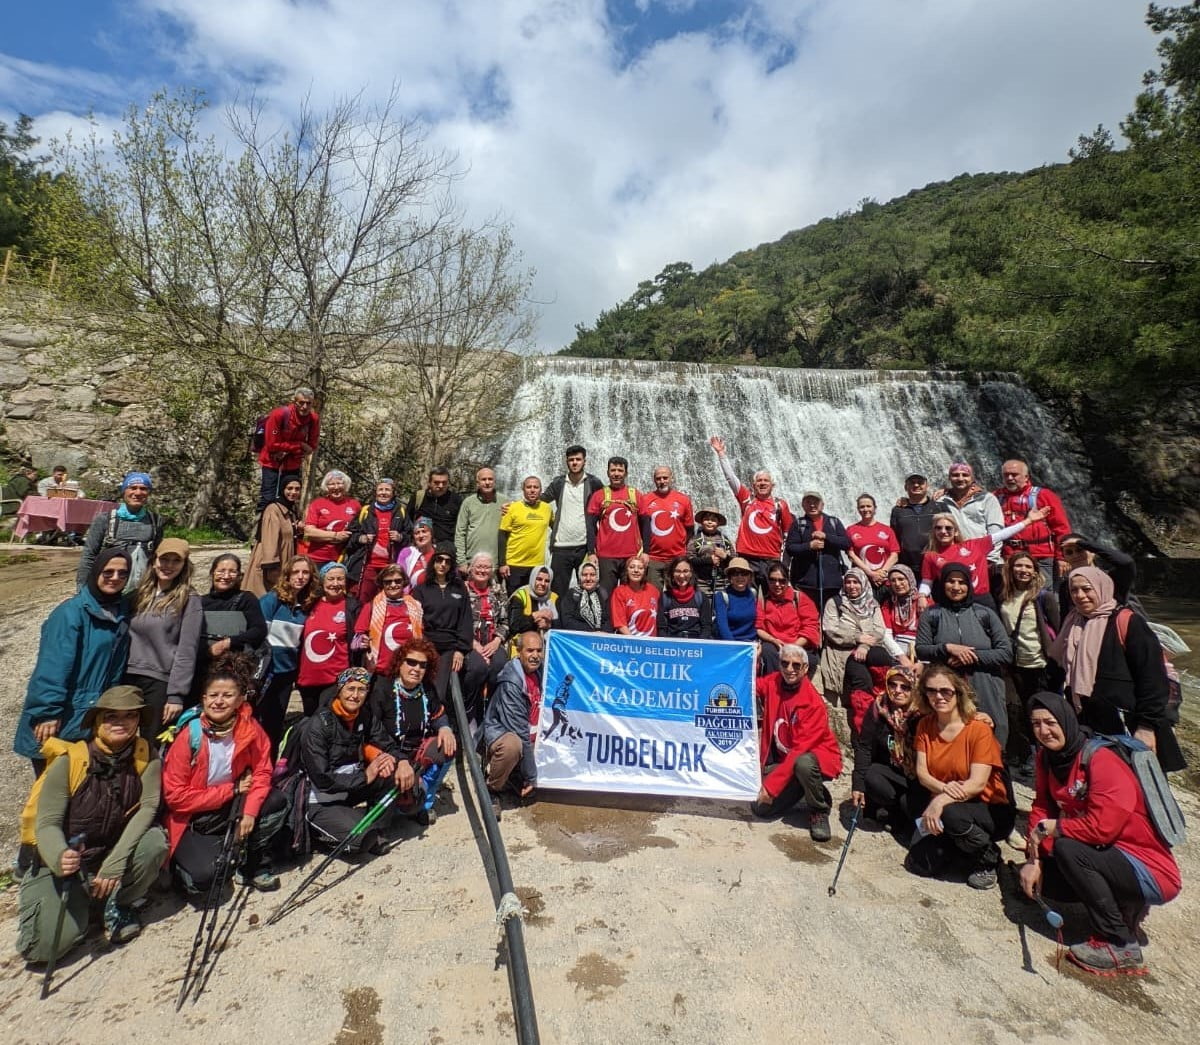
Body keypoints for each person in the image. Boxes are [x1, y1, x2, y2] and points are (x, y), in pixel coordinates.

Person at [1020, 692, 1180, 976]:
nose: (1043, 731)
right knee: (1048, 883)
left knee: (1067, 849)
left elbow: (1102, 827)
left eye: (1050, 722)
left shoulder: (1100, 759)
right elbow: (1042, 807)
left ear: (1067, 721)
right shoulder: (1048, 759)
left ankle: (1119, 943)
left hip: (1148, 867)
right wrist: (1035, 860)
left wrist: (1055, 829)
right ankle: (1123, 908)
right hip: (1107, 856)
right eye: (1036, 724)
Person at [16, 685, 167, 960]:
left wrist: (116, 862)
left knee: (155, 843)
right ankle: (88, 903)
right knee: (42, 949)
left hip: (109, 852)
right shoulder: (70, 760)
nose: (120, 723)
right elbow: (47, 822)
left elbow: (148, 808)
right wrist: (59, 856)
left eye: (129, 716)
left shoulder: (146, 756)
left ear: (138, 721)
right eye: (111, 716)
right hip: (69, 862)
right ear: (97, 720)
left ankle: (117, 901)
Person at [163, 659, 288, 893]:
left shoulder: (251, 730)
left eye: (227, 695)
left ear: (240, 700)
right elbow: (175, 797)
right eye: (213, 695)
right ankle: (203, 861)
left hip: (232, 804)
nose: (219, 701)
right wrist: (231, 790)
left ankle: (251, 863)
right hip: (194, 818)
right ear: (204, 699)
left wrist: (249, 813)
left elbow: (262, 772)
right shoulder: (189, 737)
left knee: (276, 801)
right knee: (205, 878)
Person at [1049, 566, 1185, 773]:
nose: (1080, 596)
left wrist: (1147, 726)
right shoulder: (1073, 622)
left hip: (1128, 725)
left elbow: (1153, 678)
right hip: (1090, 722)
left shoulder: (1127, 621)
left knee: (1142, 785)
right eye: (1074, 590)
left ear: (1102, 588)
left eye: (1087, 589)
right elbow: (1059, 668)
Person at [15, 548, 133, 775]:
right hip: (62, 716)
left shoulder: (118, 612)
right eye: (108, 572)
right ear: (95, 571)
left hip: (90, 716)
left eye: (122, 573)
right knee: (52, 794)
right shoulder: (71, 613)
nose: (115, 578)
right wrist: (47, 712)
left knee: (80, 791)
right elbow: (52, 666)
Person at [905, 665, 1015, 890]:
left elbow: (977, 784)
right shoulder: (925, 725)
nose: (939, 696)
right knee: (918, 863)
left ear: (958, 692)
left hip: (986, 806)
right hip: (951, 798)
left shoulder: (978, 728)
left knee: (951, 814)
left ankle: (988, 857)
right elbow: (922, 773)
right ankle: (960, 848)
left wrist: (939, 800)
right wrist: (945, 791)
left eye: (946, 691)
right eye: (932, 691)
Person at [300, 668, 416, 853]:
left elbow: (387, 743)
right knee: (361, 841)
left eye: (361, 690)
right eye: (350, 689)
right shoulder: (318, 725)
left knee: (393, 773)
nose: (355, 695)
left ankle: (377, 829)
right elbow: (322, 779)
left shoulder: (364, 716)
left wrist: (402, 761)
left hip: (349, 791)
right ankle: (320, 831)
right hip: (321, 800)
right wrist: (366, 776)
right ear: (340, 690)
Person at [915, 563, 1013, 748]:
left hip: (985, 683)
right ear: (943, 584)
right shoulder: (932, 614)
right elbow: (922, 648)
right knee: (952, 737)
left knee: (992, 735)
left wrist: (970, 655)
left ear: (969, 585)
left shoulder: (984, 613)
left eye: (962, 582)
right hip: (947, 687)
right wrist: (947, 648)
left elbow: (1006, 653)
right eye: (951, 581)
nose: (956, 587)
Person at [749, 646, 842, 842]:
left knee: (803, 764)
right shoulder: (774, 681)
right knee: (760, 809)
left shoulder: (813, 703)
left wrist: (771, 788)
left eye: (796, 665)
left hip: (814, 758)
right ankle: (806, 788)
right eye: (785, 663)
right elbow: (750, 684)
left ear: (805, 668)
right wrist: (754, 660)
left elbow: (800, 749)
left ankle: (819, 808)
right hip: (788, 757)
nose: (790, 669)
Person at [369, 637, 457, 825]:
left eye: (422, 665)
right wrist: (399, 760)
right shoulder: (382, 689)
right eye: (411, 662)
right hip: (388, 752)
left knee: (448, 747)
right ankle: (381, 819)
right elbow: (374, 733)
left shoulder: (426, 688)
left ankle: (424, 799)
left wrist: (445, 728)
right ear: (400, 663)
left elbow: (438, 714)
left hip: (417, 753)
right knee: (393, 790)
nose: (416, 669)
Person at [123, 537, 203, 737]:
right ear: (154, 561)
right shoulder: (138, 594)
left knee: (151, 744)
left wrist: (176, 695)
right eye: (164, 559)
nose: (168, 566)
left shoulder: (189, 600)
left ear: (184, 566)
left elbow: (187, 649)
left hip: (160, 682)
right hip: (126, 676)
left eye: (176, 561)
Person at [998, 551, 1062, 771]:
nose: (1023, 570)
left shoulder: (1044, 597)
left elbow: (1058, 629)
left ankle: (1045, 756)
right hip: (1014, 664)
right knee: (1019, 711)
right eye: (1018, 566)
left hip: (1040, 664)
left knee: (1042, 711)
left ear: (1035, 571)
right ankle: (1028, 755)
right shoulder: (1005, 595)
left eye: (1028, 567)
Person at [917, 507, 1048, 611]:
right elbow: (927, 581)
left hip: (982, 599)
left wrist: (1028, 521)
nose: (943, 531)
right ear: (934, 532)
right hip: (954, 601)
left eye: (948, 528)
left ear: (956, 531)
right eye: (938, 528)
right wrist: (922, 596)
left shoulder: (974, 545)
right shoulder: (931, 556)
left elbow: (1002, 534)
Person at [816, 567, 896, 732]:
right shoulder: (835, 603)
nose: (852, 586)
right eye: (848, 582)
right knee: (842, 706)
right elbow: (831, 629)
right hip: (838, 657)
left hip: (866, 657)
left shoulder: (872, 604)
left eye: (856, 582)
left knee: (863, 699)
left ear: (864, 584)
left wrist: (864, 646)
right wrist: (857, 637)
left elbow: (878, 630)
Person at [708, 435, 793, 586]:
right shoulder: (747, 500)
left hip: (771, 558)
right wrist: (721, 454)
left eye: (766, 481)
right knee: (747, 594)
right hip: (747, 557)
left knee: (771, 598)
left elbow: (788, 534)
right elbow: (731, 478)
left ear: (772, 485)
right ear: (753, 485)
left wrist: (785, 562)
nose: (762, 483)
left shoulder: (781, 505)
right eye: (759, 481)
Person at [258, 555, 321, 753]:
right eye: (296, 572)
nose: (300, 577)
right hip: (267, 671)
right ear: (287, 575)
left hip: (288, 671)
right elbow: (259, 636)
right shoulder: (272, 600)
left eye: (305, 573)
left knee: (275, 722)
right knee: (258, 719)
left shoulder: (307, 604)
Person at [851, 667, 923, 838]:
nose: (897, 691)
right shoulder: (879, 707)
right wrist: (858, 784)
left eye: (905, 687)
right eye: (893, 684)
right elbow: (865, 746)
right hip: (890, 769)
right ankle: (891, 808)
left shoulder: (922, 714)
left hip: (918, 778)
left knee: (911, 814)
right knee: (872, 776)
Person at [482, 630, 545, 816]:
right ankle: (492, 788)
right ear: (519, 652)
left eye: (539, 651)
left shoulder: (541, 672)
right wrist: (531, 777)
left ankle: (514, 776)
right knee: (512, 746)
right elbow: (520, 734)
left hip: (532, 733)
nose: (535, 656)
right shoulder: (511, 683)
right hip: (503, 735)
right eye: (530, 650)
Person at [412, 544, 474, 723]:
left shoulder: (459, 588)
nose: (443, 564)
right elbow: (416, 621)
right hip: (427, 644)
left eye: (447, 561)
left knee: (440, 691)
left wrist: (461, 650)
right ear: (434, 562)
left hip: (450, 646)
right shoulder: (421, 590)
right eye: (439, 559)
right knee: (421, 685)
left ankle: (439, 726)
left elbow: (465, 620)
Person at [76, 471, 164, 592]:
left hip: (141, 590)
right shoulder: (104, 520)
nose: (138, 493)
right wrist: (82, 590)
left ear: (148, 493)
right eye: (132, 488)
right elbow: (89, 556)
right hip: (109, 587)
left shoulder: (155, 522)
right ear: (124, 491)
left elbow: (157, 557)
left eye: (143, 489)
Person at [197, 553, 269, 700]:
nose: (226, 575)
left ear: (238, 576)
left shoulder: (246, 599)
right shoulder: (199, 602)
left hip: (234, 670)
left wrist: (228, 643)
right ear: (212, 573)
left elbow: (259, 630)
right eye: (221, 571)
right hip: (201, 668)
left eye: (232, 571)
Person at [994, 458, 1072, 586]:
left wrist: (1062, 557)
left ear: (1026, 477)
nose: (1009, 478)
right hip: (1010, 557)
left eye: (1014, 474)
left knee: (1045, 595)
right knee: (1012, 596)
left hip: (1041, 557)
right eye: (1006, 475)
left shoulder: (1044, 495)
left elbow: (1061, 528)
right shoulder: (996, 497)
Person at [540, 445, 604, 598]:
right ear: (566, 462)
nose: (575, 463)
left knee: (588, 590)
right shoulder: (558, 483)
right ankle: (558, 621)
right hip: (561, 546)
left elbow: (607, 504)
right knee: (557, 592)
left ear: (584, 461)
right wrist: (514, 505)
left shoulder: (594, 483)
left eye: (578, 459)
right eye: (571, 460)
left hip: (584, 547)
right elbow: (540, 500)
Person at [297, 562, 359, 716]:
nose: (335, 584)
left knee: (329, 721)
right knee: (310, 721)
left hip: (335, 679)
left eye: (340, 579)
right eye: (331, 579)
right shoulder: (309, 603)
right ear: (323, 581)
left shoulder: (352, 606)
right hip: (308, 678)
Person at [354, 562, 424, 679]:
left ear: (404, 582)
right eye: (388, 582)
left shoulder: (416, 606)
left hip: (409, 672)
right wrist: (362, 641)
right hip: (380, 672)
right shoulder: (370, 606)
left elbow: (421, 634)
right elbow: (356, 640)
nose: (393, 585)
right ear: (382, 584)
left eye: (398, 581)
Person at [256, 387, 318, 511]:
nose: (305, 407)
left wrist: (287, 448)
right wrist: (299, 445)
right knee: (268, 500)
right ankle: (263, 529)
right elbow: (272, 445)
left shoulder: (313, 419)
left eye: (308, 403)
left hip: (292, 464)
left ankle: (285, 530)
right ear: (294, 401)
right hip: (271, 461)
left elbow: (311, 447)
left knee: (289, 499)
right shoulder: (279, 415)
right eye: (301, 403)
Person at [345, 478, 407, 603]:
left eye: (387, 490)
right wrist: (361, 538)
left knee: (387, 604)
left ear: (393, 493)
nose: (383, 493)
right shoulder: (366, 511)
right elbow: (349, 535)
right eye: (380, 489)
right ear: (375, 492)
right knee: (362, 602)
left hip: (390, 568)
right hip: (367, 566)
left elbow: (410, 536)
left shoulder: (401, 512)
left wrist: (400, 537)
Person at [586, 457, 642, 593]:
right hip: (606, 556)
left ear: (626, 473)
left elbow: (645, 525)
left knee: (629, 595)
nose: (616, 473)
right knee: (605, 595)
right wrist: (591, 552)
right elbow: (590, 527)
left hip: (631, 555)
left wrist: (645, 552)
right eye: (613, 470)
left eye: (620, 470)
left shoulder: (635, 495)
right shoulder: (598, 496)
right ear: (607, 472)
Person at [786, 491, 850, 610]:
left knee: (831, 620)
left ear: (822, 504)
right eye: (808, 502)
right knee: (808, 619)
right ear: (803, 505)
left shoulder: (834, 522)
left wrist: (826, 536)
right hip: (805, 583)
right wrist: (809, 546)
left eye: (815, 502)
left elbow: (846, 543)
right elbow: (790, 548)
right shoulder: (798, 524)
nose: (812, 505)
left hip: (832, 583)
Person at [932, 463, 1004, 567]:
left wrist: (990, 559)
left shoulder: (987, 499)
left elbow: (996, 530)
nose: (960, 479)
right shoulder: (940, 501)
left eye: (965, 475)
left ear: (972, 478)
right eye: (955, 475)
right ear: (949, 478)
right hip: (953, 559)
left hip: (982, 558)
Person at [755, 562, 820, 676]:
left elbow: (810, 628)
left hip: (798, 644)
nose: (777, 584)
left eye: (782, 581)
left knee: (805, 660)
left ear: (787, 580)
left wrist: (792, 647)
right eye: (772, 580)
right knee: (767, 651)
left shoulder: (800, 598)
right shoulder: (764, 601)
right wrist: (773, 640)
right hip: (775, 645)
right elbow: (758, 627)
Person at [245, 476, 304, 598]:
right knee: (264, 595)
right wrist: (271, 566)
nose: (293, 492)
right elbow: (270, 538)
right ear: (282, 489)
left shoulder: (291, 509)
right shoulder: (273, 509)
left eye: (297, 489)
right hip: (272, 560)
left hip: (284, 557)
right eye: (290, 488)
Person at [639, 466, 695, 591]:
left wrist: (680, 546)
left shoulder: (683, 500)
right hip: (653, 559)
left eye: (665, 478)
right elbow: (641, 527)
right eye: (658, 478)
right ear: (654, 480)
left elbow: (690, 528)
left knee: (677, 595)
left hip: (677, 557)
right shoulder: (645, 499)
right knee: (654, 596)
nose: (662, 481)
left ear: (671, 478)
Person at [463, 552, 510, 703]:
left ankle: (492, 708)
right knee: (477, 667)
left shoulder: (498, 591)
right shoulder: (462, 590)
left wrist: (497, 641)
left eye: (486, 567)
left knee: (500, 665)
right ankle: (469, 709)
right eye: (479, 566)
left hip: (493, 641)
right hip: (470, 642)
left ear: (492, 571)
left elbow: (505, 621)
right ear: (471, 569)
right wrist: (473, 644)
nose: (482, 571)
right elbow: (457, 622)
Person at [499, 475, 555, 594]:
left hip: (537, 565)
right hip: (514, 564)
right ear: (523, 489)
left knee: (534, 599)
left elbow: (557, 527)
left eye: (536, 487)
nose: (532, 490)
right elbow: (502, 536)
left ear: (541, 490)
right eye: (529, 487)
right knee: (514, 600)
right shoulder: (512, 508)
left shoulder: (547, 509)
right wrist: (502, 563)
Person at [1058, 533, 1137, 614]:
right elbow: (1065, 615)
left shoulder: (1111, 577)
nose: (1075, 555)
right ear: (1065, 558)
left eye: (1080, 550)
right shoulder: (1066, 585)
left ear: (1093, 552)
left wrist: (1083, 543)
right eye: (1069, 552)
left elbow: (1127, 563)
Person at [298, 469, 360, 567]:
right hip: (318, 558)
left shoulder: (355, 505)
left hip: (344, 558)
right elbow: (308, 532)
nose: (336, 487)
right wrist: (335, 535)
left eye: (339, 483)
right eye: (331, 484)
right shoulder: (317, 504)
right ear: (326, 487)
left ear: (346, 485)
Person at [845, 494, 900, 592]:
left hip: (885, 580)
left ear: (875, 508)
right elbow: (851, 555)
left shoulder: (887, 530)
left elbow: (894, 555)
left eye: (868, 506)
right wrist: (871, 574)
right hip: (861, 581)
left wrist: (882, 573)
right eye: (862, 507)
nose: (865, 509)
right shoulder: (851, 530)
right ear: (858, 509)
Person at [455, 466, 502, 569]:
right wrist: (461, 561)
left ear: (495, 481)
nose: (487, 482)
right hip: (472, 561)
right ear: (477, 483)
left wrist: (505, 562)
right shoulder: (468, 502)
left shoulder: (505, 502)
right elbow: (460, 533)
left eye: (490, 479)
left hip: (497, 563)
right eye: (483, 479)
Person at [889, 472, 935, 574]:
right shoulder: (898, 510)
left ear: (927, 486)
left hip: (935, 563)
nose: (916, 485)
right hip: (908, 566)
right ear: (906, 487)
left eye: (920, 482)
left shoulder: (939, 507)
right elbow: (894, 538)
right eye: (912, 482)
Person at [406, 467, 462, 547]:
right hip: (421, 547)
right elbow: (408, 521)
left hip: (446, 550)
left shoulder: (456, 500)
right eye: (436, 482)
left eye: (444, 482)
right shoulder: (419, 497)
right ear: (429, 482)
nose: (441, 486)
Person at [657, 557, 711, 639]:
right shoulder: (665, 597)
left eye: (685, 571)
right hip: (673, 644)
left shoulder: (701, 597)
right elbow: (662, 628)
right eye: (678, 571)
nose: (681, 576)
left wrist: (699, 646)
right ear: (672, 574)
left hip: (696, 643)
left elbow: (706, 627)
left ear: (691, 573)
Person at [687, 507, 735, 596]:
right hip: (702, 583)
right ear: (701, 522)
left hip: (723, 582)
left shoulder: (725, 540)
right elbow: (690, 559)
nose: (710, 522)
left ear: (718, 523)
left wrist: (725, 557)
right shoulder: (696, 539)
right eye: (706, 519)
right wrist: (709, 560)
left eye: (713, 520)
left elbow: (735, 561)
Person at [610, 553, 660, 638]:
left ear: (645, 571)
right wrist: (634, 642)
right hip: (629, 642)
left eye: (640, 568)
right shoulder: (619, 592)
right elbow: (620, 623)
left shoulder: (654, 591)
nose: (636, 570)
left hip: (650, 644)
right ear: (627, 570)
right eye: (632, 567)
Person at [879, 565, 921, 661]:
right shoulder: (888, 604)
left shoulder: (922, 602)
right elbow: (886, 634)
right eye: (893, 580)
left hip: (921, 650)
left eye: (901, 579)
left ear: (910, 579)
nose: (897, 584)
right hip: (897, 650)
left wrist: (922, 662)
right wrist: (901, 656)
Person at [509, 564, 558, 645]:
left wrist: (549, 624)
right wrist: (535, 616)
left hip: (549, 645)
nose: (542, 584)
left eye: (547, 581)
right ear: (532, 579)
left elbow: (563, 624)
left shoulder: (554, 598)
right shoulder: (520, 596)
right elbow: (514, 626)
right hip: (523, 646)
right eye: (539, 579)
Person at [713, 557, 758, 642]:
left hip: (751, 642)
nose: (740, 577)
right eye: (735, 573)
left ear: (749, 576)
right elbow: (723, 627)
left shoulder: (753, 593)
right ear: (730, 577)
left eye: (744, 573)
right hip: (730, 643)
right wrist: (734, 648)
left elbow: (757, 623)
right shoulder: (722, 596)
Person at [559, 561, 611, 632]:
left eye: (592, 575)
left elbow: (609, 620)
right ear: (580, 577)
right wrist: (592, 632)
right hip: (578, 638)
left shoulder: (603, 594)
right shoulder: (572, 594)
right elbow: (567, 620)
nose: (588, 579)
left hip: (600, 638)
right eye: (584, 575)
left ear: (597, 577)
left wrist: (603, 632)